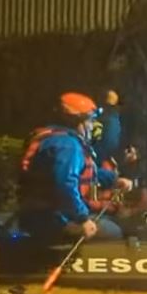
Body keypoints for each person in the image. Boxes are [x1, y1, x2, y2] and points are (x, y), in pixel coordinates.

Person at [18, 92, 132, 241]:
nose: (92, 126)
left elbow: (85, 173)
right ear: (76, 121)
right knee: (115, 231)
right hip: (53, 220)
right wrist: (82, 219)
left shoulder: (54, 139)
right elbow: (65, 184)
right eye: (90, 121)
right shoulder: (68, 146)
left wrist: (114, 180)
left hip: (37, 216)